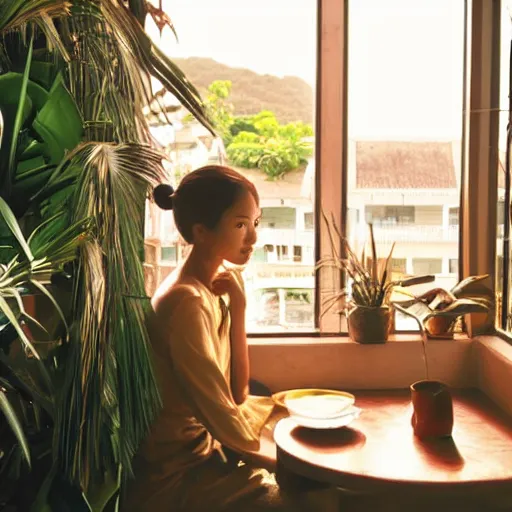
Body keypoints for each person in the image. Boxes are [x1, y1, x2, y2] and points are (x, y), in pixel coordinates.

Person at [122, 165, 337, 511]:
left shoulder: (215, 285)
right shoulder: (186, 303)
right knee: (320, 498)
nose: (252, 238)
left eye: (255, 223)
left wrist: (239, 309)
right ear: (201, 231)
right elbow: (227, 421)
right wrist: (300, 468)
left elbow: (237, 394)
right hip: (177, 477)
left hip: (207, 452)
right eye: (240, 225)